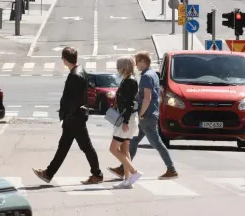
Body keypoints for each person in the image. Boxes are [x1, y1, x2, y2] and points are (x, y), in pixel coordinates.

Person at [32, 47, 103, 185]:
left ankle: (97, 174)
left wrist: (66, 117)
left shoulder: (75, 76)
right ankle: (48, 173)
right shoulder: (80, 70)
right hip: (76, 117)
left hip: (74, 118)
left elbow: (72, 100)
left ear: (64, 60)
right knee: (64, 146)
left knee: (86, 147)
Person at [108, 51, 178, 180]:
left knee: (156, 143)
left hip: (147, 115)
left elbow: (147, 98)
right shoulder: (153, 74)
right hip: (149, 114)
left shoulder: (146, 76)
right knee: (132, 142)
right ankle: (124, 168)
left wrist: (140, 114)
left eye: (137, 62)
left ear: (143, 61)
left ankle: (171, 169)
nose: (136, 65)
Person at [109, 56, 142, 189]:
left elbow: (129, 103)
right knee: (124, 148)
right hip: (127, 118)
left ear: (124, 67)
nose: (117, 69)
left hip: (126, 119)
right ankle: (127, 180)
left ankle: (134, 172)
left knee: (113, 148)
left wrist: (126, 121)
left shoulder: (130, 81)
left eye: (119, 66)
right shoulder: (128, 80)